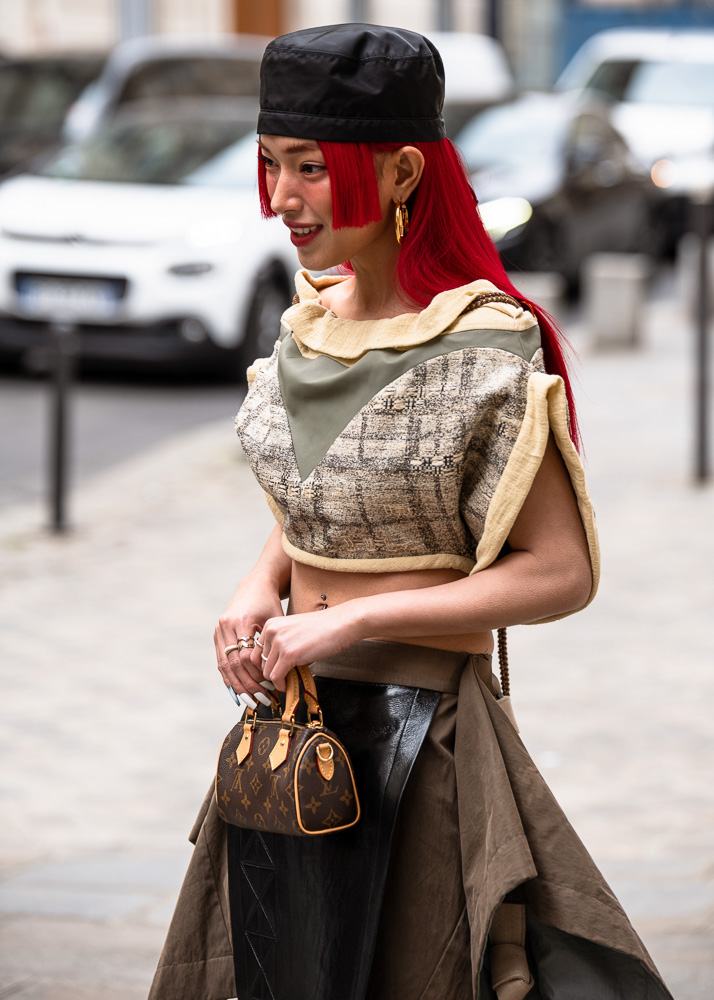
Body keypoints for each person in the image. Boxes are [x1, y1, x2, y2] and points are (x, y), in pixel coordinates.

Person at [149, 24, 672, 1000]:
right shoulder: (308, 326)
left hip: (424, 741)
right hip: (290, 730)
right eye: (270, 165)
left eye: (310, 166)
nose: (282, 197)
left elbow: (563, 571)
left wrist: (350, 619)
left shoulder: (483, 350)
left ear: (398, 173)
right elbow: (319, 492)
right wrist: (258, 583)